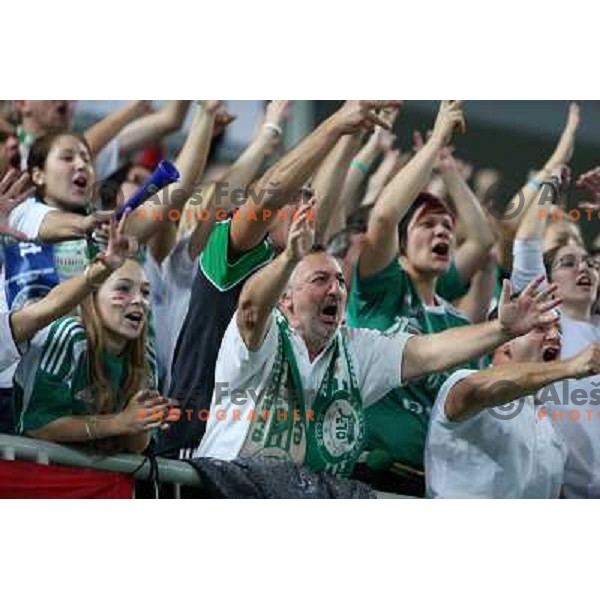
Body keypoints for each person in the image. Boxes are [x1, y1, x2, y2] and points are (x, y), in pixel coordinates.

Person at [196, 198, 560, 476]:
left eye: (340, 281)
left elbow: (428, 352)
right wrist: (291, 256)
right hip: (226, 492)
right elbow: (251, 309)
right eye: (320, 280)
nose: (336, 290)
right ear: (286, 299)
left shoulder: (354, 347)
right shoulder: (265, 334)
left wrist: (500, 329)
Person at [163, 100, 402, 457]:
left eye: (306, 197)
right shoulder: (227, 251)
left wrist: (353, 135)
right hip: (194, 448)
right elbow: (268, 196)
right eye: (293, 198)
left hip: (262, 463)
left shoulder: (298, 271)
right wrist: (335, 125)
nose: (303, 205)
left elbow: (318, 208)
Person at [346, 101, 495, 493]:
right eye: (427, 225)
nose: (442, 233)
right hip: (366, 477)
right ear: (401, 244)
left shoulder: (459, 324)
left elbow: (482, 240)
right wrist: (434, 145)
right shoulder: (383, 287)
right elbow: (381, 218)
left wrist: (448, 169)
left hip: (435, 486)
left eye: (447, 227)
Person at [14, 211, 176, 453]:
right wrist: (117, 423)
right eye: (123, 289)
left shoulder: (147, 356)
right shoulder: (69, 337)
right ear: (92, 298)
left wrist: (143, 420)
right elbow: (38, 426)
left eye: (144, 292)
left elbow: (135, 449)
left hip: (102, 483)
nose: (138, 301)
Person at [426, 310, 600, 498]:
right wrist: (568, 367)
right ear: (503, 342)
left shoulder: (550, 420)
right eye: (539, 328)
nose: (555, 336)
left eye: (559, 330)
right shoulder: (465, 381)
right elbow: (478, 390)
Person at [511, 168, 600, 498]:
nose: (584, 268)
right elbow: (526, 243)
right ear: (545, 283)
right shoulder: (545, 322)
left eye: (590, 263)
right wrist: (548, 187)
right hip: (557, 493)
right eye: (568, 263)